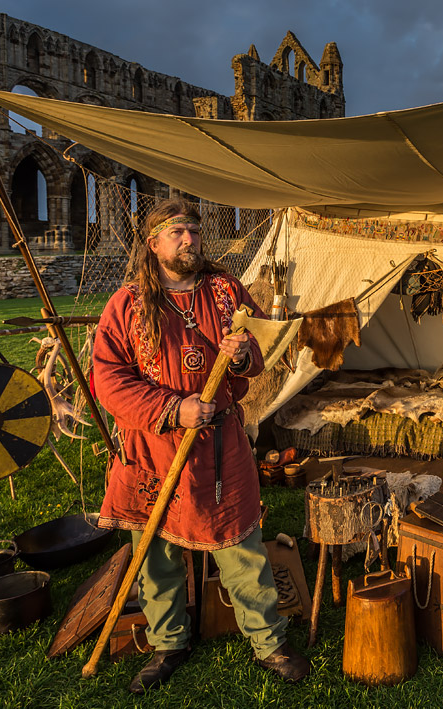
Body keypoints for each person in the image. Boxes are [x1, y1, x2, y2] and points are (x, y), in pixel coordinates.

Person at [92, 197, 309, 694]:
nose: (189, 239)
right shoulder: (127, 304)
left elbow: (261, 353)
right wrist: (174, 409)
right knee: (155, 553)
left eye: (193, 230)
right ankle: (169, 641)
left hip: (219, 446)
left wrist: (239, 357)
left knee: (241, 545)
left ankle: (268, 640)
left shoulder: (226, 291)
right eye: (176, 233)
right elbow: (109, 379)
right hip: (153, 448)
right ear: (153, 244)